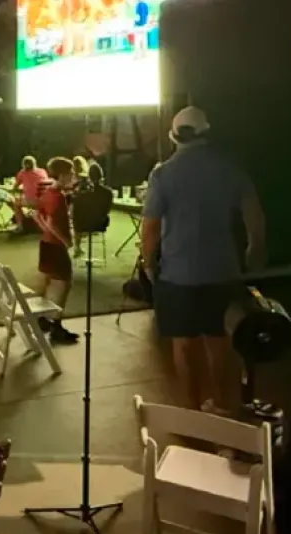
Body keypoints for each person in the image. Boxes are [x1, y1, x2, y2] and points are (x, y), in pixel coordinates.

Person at [140, 107, 266, 413]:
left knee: (183, 344)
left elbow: (151, 228)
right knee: (220, 342)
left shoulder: (162, 174)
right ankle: (224, 405)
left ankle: (190, 406)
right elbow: (254, 215)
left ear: (174, 136)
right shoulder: (229, 167)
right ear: (206, 133)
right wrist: (254, 251)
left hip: (177, 276)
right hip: (224, 272)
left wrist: (148, 262)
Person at [32, 158, 80, 344]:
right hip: (54, 245)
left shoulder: (49, 192)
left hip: (46, 244)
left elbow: (37, 216)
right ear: (62, 175)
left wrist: (47, 230)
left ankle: (43, 320)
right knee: (64, 285)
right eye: (71, 173)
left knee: (51, 283)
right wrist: (65, 240)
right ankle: (56, 327)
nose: (73, 176)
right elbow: (51, 221)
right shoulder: (57, 196)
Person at [72, 163, 114, 259]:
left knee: (76, 214)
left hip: (82, 225)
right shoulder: (108, 192)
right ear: (101, 175)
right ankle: (78, 245)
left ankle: (77, 245)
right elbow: (108, 209)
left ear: (89, 176)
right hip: (101, 224)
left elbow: (76, 208)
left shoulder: (83, 193)